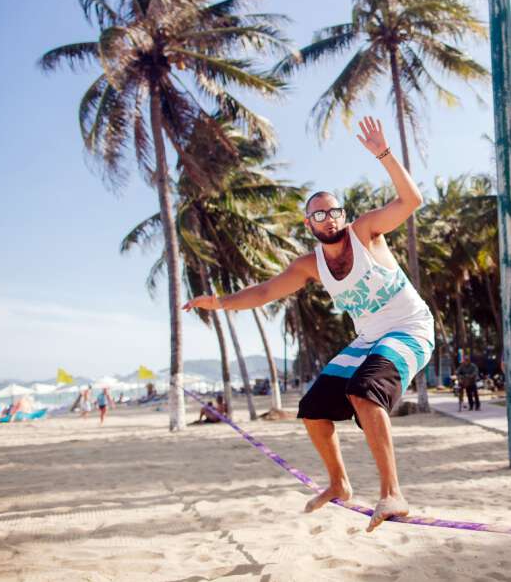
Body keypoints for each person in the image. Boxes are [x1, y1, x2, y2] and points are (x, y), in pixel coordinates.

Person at [184, 116, 433, 533]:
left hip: (410, 328)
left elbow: (411, 202)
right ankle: (339, 484)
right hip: (370, 337)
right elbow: (264, 293)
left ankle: (393, 493)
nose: (329, 219)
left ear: (342, 214)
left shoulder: (366, 232)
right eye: (319, 215)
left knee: (363, 390)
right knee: (313, 408)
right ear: (309, 224)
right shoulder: (310, 264)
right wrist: (220, 302)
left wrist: (384, 156)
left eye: (334, 211)